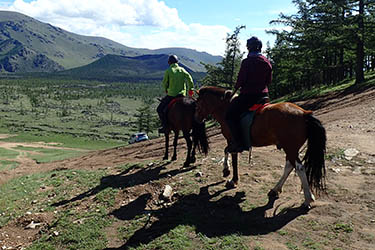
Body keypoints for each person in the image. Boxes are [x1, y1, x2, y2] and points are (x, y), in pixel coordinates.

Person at [225, 36, 272, 153]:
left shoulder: (246, 62)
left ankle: (238, 143)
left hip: (248, 97)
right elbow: (268, 81)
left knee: (230, 115)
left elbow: (240, 81)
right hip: (263, 96)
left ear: (249, 48)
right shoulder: (267, 62)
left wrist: (233, 93)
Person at [157, 55, 195, 133]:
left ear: (169, 62)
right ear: (177, 62)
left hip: (172, 95)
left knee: (160, 109)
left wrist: (166, 89)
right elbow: (190, 79)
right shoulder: (182, 70)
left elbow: (165, 82)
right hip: (182, 95)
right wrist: (191, 89)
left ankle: (165, 126)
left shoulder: (168, 70)